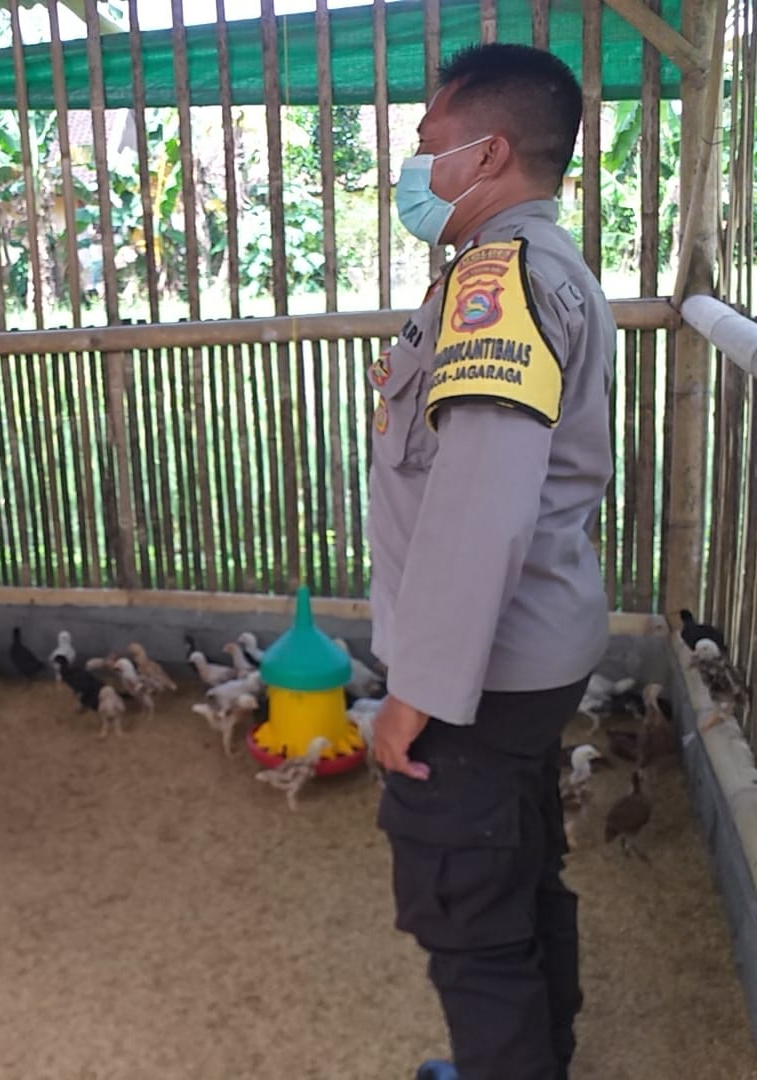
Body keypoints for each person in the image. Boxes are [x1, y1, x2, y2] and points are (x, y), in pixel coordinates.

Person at [365, 45, 614, 1080]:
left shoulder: (498, 283)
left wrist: (415, 692)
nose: (414, 162)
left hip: (481, 674)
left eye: (428, 139)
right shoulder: (537, 269)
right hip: (529, 652)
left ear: (488, 153)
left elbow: (480, 505)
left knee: (469, 917)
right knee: (519, 871)